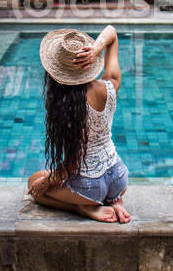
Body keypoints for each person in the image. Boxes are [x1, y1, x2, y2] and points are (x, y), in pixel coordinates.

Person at [28, 25, 131, 223]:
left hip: (90, 187)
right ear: (89, 64)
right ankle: (114, 199)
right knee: (46, 176)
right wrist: (97, 49)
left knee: (35, 184)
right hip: (119, 177)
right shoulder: (109, 86)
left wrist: (46, 184)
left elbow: (73, 161)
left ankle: (83, 209)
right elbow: (112, 32)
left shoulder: (65, 107)